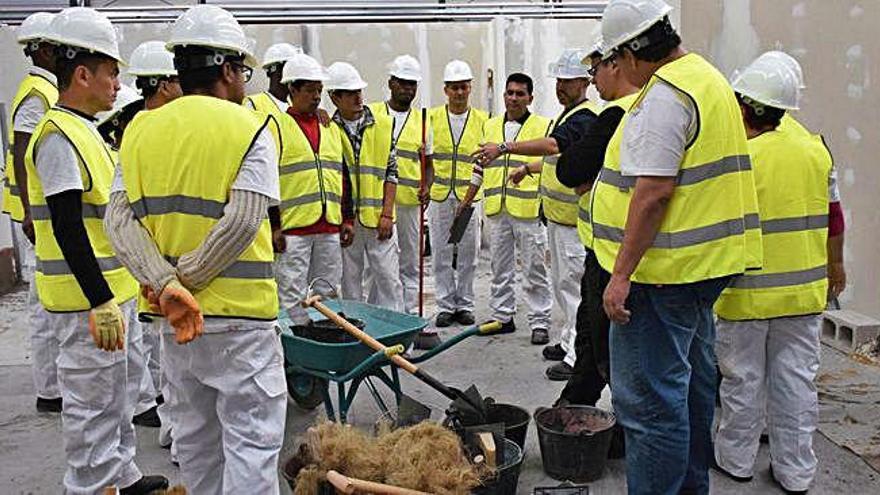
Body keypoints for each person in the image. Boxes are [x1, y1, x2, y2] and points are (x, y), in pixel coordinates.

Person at [105, 5, 287, 493]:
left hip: (175, 323)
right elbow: (244, 220)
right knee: (250, 445)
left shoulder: (139, 130)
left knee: (196, 442)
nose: (246, 84)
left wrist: (166, 286)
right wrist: (185, 282)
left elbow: (117, 220)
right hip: (241, 322)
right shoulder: (248, 127)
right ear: (227, 68)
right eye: (243, 72)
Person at [592, 1, 762, 493]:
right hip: (699, 270)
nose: (618, 71)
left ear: (633, 49)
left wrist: (620, 276)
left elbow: (653, 193)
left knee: (648, 406)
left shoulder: (667, 95)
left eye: (617, 59)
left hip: (661, 276)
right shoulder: (706, 78)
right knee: (687, 391)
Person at [24, 7, 168, 494]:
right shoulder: (59, 136)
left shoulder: (85, 130)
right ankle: (89, 485)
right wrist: (98, 299)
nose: (116, 82)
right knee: (90, 403)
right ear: (82, 73)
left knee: (117, 393)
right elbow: (68, 226)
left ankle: (120, 475)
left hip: (112, 291)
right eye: (110, 71)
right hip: (86, 301)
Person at [713, 51, 847, 495]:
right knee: (796, 386)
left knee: (742, 383)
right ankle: (796, 472)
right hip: (804, 296)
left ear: (748, 104)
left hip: (745, 295)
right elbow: (835, 218)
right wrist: (836, 267)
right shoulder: (816, 150)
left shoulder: (738, 158)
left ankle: (736, 462)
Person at [497, 48, 600, 370]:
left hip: (573, 224)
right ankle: (568, 340)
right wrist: (528, 169)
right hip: (557, 220)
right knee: (562, 286)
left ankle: (576, 356)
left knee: (573, 291)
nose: (561, 87)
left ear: (584, 82)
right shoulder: (568, 115)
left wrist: (505, 148)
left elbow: (555, 146)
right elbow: (560, 159)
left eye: (567, 81)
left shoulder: (584, 118)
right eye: (558, 80)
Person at [554, 38, 640, 409]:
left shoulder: (615, 114)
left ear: (615, 66)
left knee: (605, 339)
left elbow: (569, 168)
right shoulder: (646, 107)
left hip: (611, 252)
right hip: (620, 246)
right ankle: (576, 403)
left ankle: (620, 423)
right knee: (594, 336)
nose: (593, 80)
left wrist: (590, 172)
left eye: (594, 72)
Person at [459, 72, 553, 344]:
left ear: (530, 98)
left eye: (519, 94)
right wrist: (468, 200)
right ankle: (502, 316)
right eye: (509, 93)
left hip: (527, 210)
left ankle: (540, 321)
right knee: (500, 267)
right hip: (497, 209)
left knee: (534, 267)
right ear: (503, 95)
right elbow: (479, 166)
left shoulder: (543, 126)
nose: (513, 98)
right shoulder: (490, 127)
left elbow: (549, 163)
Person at [3, 11, 62, 413]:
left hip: (40, 207)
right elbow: (25, 149)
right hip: (37, 210)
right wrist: (29, 210)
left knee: (49, 299)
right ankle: (49, 390)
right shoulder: (39, 92)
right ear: (42, 49)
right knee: (43, 303)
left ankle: (53, 383)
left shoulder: (45, 88)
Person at [126, 38, 183, 441]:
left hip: (154, 266)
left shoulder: (136, 128)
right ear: (164, 84)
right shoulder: (158, 130)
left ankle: (173, 429)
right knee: (167, 353)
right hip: (161, 267)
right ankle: (176, 432)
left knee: (167, 353)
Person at [273, 53, 353, 325]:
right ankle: (293, 348)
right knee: (290, 294)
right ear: (292, 90)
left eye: (319, 90)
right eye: (309, 90)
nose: (317, 96)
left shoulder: (330, 127)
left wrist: (348, 218)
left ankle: (324, 339)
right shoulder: (278, 127)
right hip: (293, 229)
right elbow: (269, 178)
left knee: (328, 291)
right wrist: (274, 226)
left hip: (329, 225)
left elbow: (342, 176)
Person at [329, 62, 403, 310]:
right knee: (349, 282)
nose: (358, 97)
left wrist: (387, 213)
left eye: (359, 91)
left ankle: (398, 340)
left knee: (389, 279)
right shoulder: (328, 129)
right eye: (350, 93)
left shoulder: (382, 125)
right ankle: (357, 338)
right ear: (334, 97)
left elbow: (392, 172)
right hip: (346, 220)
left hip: (377, 218)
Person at [425, 60, 487, 348]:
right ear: (446, 90)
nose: (460, 92)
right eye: (454, 88)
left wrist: (468, 200)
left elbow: (483, 161)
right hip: (439, 196)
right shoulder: (432, 118)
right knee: (440, 250)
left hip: (468, 197)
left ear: (470, 88)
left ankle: (465, 304)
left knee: (467, 252)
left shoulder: (482, 120)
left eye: (464, 87)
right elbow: (424, 155)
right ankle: (445, 305)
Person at [368, 55, 433, 317]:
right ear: (391, 83)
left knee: (410, 264)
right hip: (378, 202)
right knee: (377, 264)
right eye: (403, 83)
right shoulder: (372, 113)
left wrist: (427, 185)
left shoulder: (422, 121)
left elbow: (428, 164)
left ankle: (409, 318)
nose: (408, 89)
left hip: (409, 204)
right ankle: (374, 316)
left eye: (412, 84)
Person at [243, 42, 302, 119]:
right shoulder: (253, 104)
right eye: (286, 68)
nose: (290, 73)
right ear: (271, 71)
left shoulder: (296, 107)